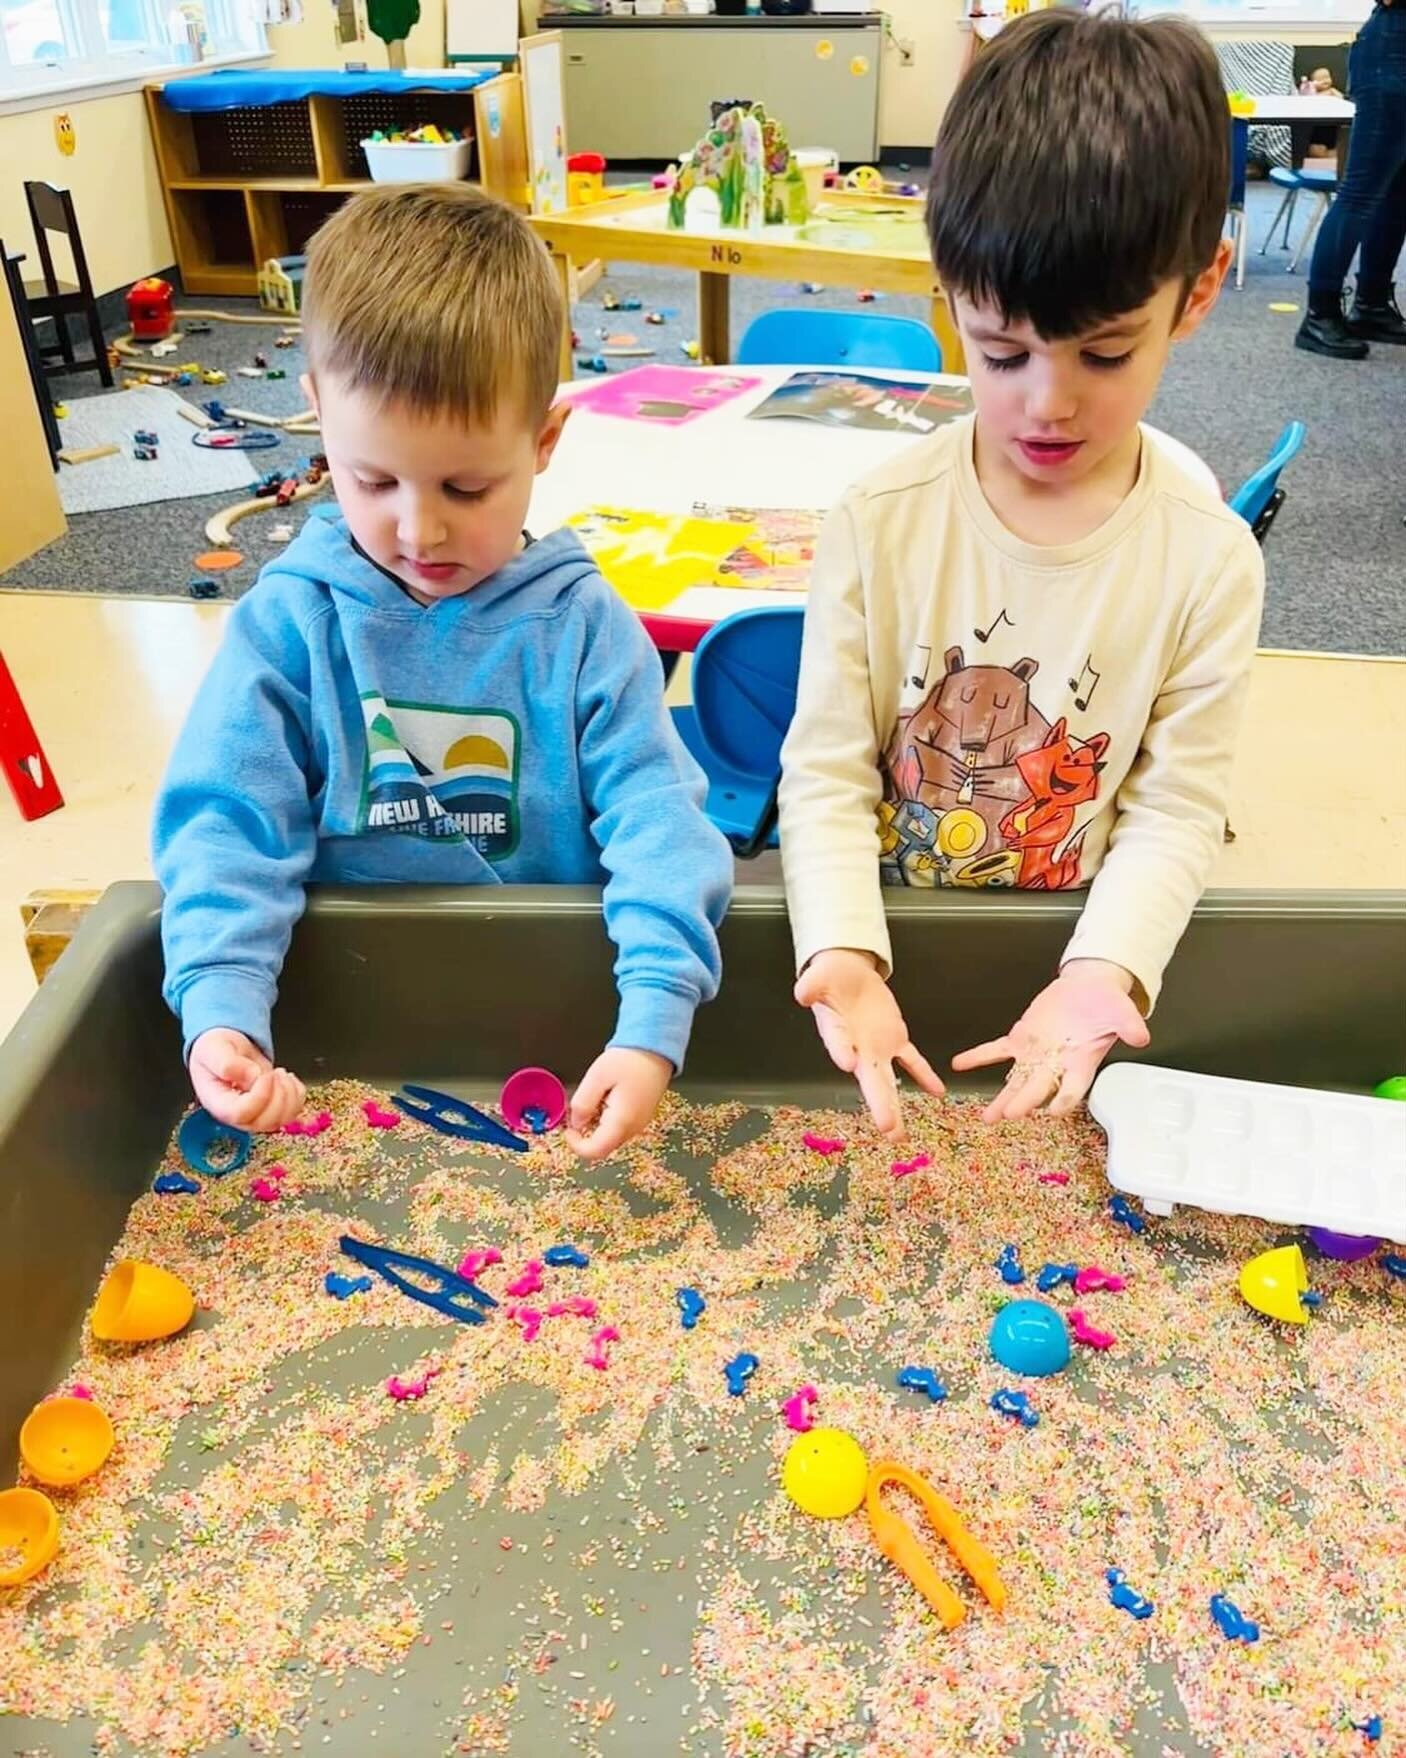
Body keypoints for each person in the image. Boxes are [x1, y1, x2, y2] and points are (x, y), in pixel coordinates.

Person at [153, 184, 732, 1161]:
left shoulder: (583, 630)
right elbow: (226, 831)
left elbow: (660, 828)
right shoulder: (294, 623)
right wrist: (219, 1013)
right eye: (371, 479)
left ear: (543, 442)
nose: (418, 529)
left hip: (556, 1025)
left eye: (467, 487)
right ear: (317, 416)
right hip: (342, 1031)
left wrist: (653, 1020)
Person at [778, 11, 1264, 1140]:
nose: (1046, 403)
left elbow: (1174, 804)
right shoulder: (876, 520)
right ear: (945, 287)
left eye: (1102, 354)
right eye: (1000, 353)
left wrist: (1108, 972)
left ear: (1195, 295)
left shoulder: (1202, 554)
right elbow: (825, 769)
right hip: (896, 930)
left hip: (1066, 939)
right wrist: (842, 946)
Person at [1296, 0, 1406, 360]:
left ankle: (1372, 304)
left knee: (1397, 195)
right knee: (1360, 193)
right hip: (1392, 49)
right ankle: (1320, 314)